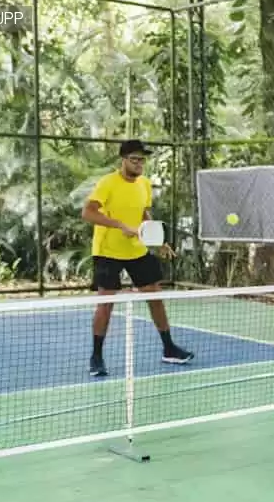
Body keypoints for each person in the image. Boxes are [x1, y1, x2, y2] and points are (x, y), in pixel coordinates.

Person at [82, 140, 193, 377]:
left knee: (155, 297)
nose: (139, 164)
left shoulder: (144, 184)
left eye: (142, 160)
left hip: (137, 249)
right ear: (123, 160)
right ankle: (96, 357)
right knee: (106, 303)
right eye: (134, 159)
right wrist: (119, 225)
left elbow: (143, 213)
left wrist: (157, 240)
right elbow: (88, 212)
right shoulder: (108, 183)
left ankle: (169, 348)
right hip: (107, 251)